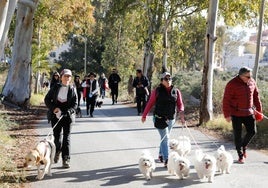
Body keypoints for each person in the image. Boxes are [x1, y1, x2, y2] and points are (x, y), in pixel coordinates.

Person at [141, 72, 185, 167]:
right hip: (159, 118)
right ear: (162, 81)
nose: (168, 81)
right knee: (166, 138)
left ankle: (161, 154)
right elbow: (150, 103)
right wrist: (144, 115)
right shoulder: (157, 91)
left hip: (171, 118)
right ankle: (166, 159)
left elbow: (180, 104)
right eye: (166, 79)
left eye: (169, 79)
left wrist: (181, 112)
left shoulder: (176, 91)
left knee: (165, 137)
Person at [222, 66, 263, 164]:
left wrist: (259, 112)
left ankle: (243, 146)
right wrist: (227, 114)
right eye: (247, 77)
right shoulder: (232, 84)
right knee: (238, 135)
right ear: (241, 76)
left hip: (249, 112)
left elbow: (256, 97)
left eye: (250, 76)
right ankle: (240, 155)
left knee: (252, 131)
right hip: (236, 113)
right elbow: (226, 100)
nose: (250, 78)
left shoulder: (252, 82)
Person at [44, 69, 78, 168]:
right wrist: (54, 109)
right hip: (56, 116)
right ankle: (57, 151)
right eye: (65, 76)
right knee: (57, 137)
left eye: (69, 76)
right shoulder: (55, 87)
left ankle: (66, 159)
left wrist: (69, 111)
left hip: (67, 117)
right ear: (61, 77)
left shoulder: (72, 89)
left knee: (66, 138)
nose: (67, 78)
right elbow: (47, 99)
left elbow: (75, 104)